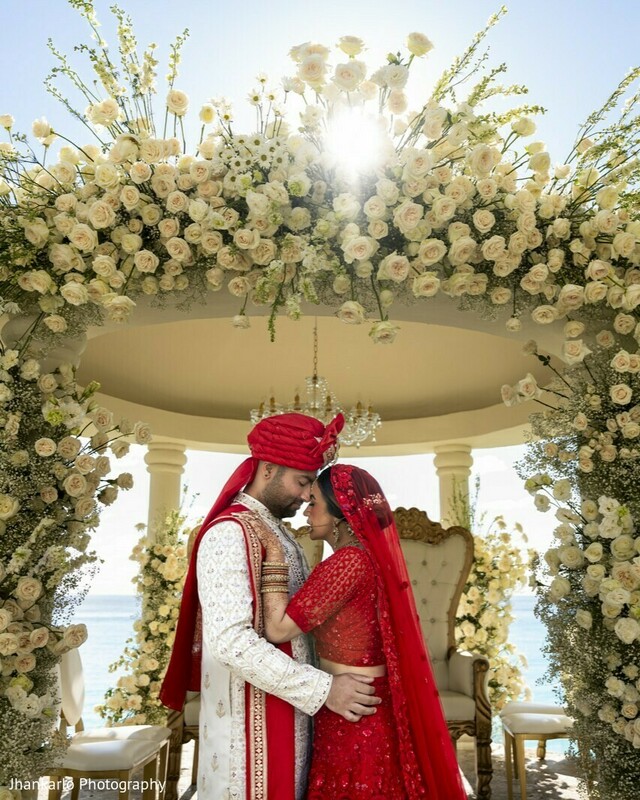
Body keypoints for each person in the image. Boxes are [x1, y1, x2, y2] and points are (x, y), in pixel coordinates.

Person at [160, 413, 380, 800]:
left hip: (292, 714)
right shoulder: (230, 532)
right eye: (301, 482)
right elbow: (230, 642)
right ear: (268, 469)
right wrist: (324, 688)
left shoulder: (278, 533)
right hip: (249, 732)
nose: (306, 495)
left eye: (311, 485)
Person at [256, 463, 468, 800]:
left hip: (354, 715)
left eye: (314, 503)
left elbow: (279, 629)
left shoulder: (348, 562)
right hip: (362, 704)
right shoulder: (366, 558)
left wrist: (274, 560)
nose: (306, 513)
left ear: (339, 515)